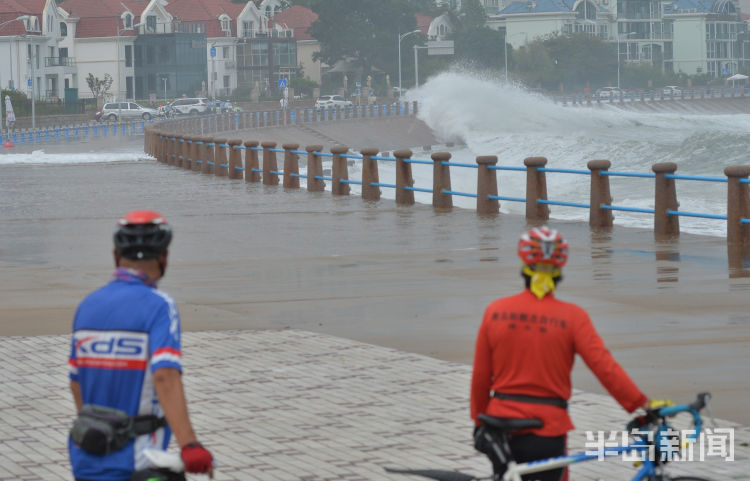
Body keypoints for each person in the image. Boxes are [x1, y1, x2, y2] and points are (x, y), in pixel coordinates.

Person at [470, 226, 649, 481]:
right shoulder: (572, 317)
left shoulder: (495, 312)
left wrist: (479, 423)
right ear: (558, 271)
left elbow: (480, 377)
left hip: (500, 426)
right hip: (547, 428)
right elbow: (603, 366)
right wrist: (640, 402)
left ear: (524, 265)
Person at [68, 210, 214, 481]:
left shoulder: (87, 306)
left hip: (86, 455)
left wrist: (101, 432)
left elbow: (76, 384)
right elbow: (165, 375)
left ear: (115, 256)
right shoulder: (160, 306)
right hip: (137, 462)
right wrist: (190, 445)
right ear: (164, 257)